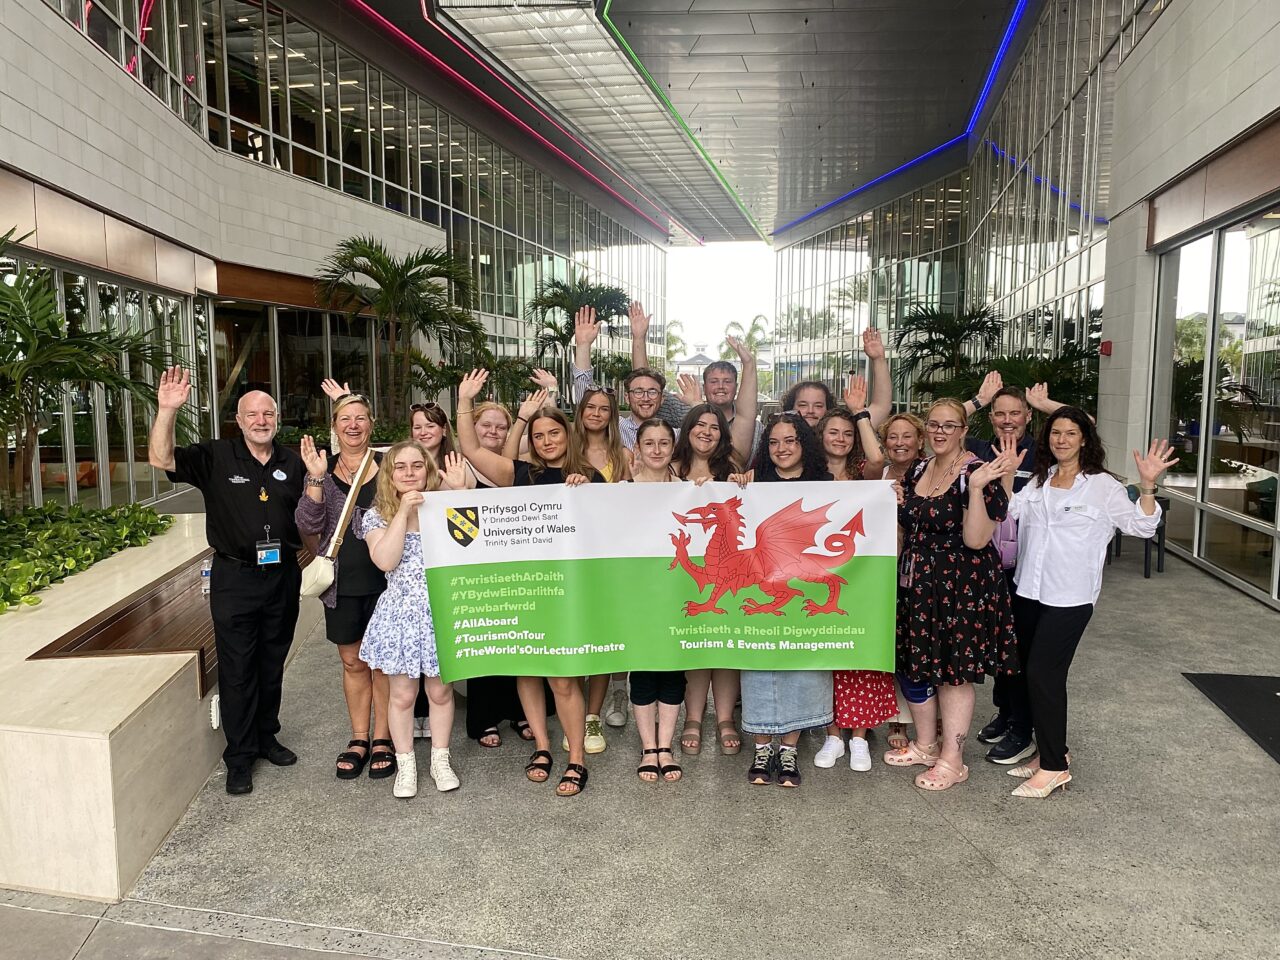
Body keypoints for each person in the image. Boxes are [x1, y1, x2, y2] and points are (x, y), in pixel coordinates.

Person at [1001, 411, 1176, 798]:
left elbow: (1142, 527)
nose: (1062, 440)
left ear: (1085, 439)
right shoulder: (1039, 481)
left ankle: (1053, 767)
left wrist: (1147, 487)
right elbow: (1010, 513)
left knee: (1043, 674)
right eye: (1056, 433)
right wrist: (1006, 475)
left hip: (1070, 597)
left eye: (1071, 433)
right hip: (1029, 590)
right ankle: (1052, 749)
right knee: (1027, 673)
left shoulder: (1102, 487)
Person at [148, 368, 302, 796]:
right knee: (237, 668)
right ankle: (239, 755)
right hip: (235, 576)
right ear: (238, 419)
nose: (261, 420)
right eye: (252, 414)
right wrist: (167, 411)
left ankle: (266, 736)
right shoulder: (215, 456)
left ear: (277, 418)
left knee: (272, 663)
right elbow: (161, 459)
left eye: (268, 413)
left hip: (282, 575)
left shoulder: (292, 461)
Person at [456, 369, 598, 797]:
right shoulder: (518, 474)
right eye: (538, 436)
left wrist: (586, 488)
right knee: (528, 671)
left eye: (554, 433)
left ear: (567, 436)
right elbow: (469, 447)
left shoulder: (592, 476)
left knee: (563, 680)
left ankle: (576, 756)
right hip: (524, 586)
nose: (546, 441)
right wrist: (465, 400)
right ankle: (541, 745)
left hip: (569, 593)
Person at [888, 399, 1021, 791]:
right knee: (918, 663)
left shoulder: (976, 472)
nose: (940, 431)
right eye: (934, 424)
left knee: (953, 673)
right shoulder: (917, 468)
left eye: (950, 425)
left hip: (961, 587)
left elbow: (977, 539)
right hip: (917, 583)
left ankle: (953, 758)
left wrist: (978, 489)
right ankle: (927, 745)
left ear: (964, 430)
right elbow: (906, 529)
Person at [962, 373, 1072, 765]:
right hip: (984, 566)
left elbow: (1081, 427)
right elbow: (938, 423)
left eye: (1016, 413)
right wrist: (977, 399)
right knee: (998, 648)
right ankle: (1007, 713)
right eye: (999, 413)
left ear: (1027, 416)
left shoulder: (1044, 452)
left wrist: (1046, 405)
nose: (1008, 420)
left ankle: (1023, 728)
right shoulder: (976, 448)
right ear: (990, 418)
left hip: (1029, 570)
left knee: (1022, 652)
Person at [357, 441, 466, 798]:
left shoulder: (446, 506)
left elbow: (469, 551)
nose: (408, 473)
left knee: (440, 690)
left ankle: (440, 759)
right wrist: (403, 513)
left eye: (416, 466)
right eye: (400, 467)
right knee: (402, 695)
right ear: (390, 475)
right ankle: (406, 765)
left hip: (442, 611)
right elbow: (386, 561)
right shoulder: (376, 515)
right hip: (402, 613)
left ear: (428, 469)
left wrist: (462, 493)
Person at [296, 395, 396, 781]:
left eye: (360, 418)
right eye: (344, 419)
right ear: (334, 427)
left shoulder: (388, 466)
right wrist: (317, 479)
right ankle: (360, 737)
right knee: (353, 662)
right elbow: (307, 522)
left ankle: (384, 737)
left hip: (388, 582)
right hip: (343, 583)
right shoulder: (322, 468)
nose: (353, 425)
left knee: (383, 664)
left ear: (372, 424)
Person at [734, 413, 835, 788]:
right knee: (759, 665)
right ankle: (762, 747)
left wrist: (885, 496)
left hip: (803, 583)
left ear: (803, 443)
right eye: (774, 442)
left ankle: (789, 747)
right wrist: (737, 486)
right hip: (762, 587)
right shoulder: (753, 482)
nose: (782, 449)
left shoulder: (825, 484)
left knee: (803, 666)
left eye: (790, 440)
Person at [812, 376, 893, 772]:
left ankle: (859, 737)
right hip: (817, 573)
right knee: (824, 655)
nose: (840, 438)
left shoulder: (864, 473)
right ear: (819, 435)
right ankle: (831, 735)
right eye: (833, 431)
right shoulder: (807, 472)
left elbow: (879, 461)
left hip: (860, 576)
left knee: (857, 653)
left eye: (847, 433)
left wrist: (860, 414)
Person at [671, 403, 744, 757]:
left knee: (724, 642)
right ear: (687, 430)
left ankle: (725, 718)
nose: (706, 432)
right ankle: (694, 719)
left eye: (714, 427)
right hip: (678, 572)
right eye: (699, 425)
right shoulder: (670, 469)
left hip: (727, 572)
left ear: (722, 435)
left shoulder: (732, 472)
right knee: (695, 644)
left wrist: (743, 484)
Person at [572, 384, 633, 742]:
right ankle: (573, 708)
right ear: (580, 411)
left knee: (604, 635)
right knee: (576, 631)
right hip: (572, 555)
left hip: (609, 556)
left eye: (604, 409)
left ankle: (593, 713)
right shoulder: (566, 449)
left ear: (613, 416)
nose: (596, 413)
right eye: (590, 407)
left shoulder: (622, 454)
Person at [627, 419, 687, 783]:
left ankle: (666, 745)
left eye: (664, 443)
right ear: (638, 447)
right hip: (638, 595)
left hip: (677, 592)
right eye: (649, 443)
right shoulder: (621, 491)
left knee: (673, 670)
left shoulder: (690, 491)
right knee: (645, 670)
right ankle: (648, 747)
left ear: (672, 448)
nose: (656, 450)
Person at [877, 412, 935, 753]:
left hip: (922, 572)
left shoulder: (933, 472)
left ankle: (932, 719)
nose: (900, 442)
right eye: (893, 437)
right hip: (885, 571)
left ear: (920, 440)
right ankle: (899, 716)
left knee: (923, 647)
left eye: (907, 436)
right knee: (895, 647)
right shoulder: (877, 474)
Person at [569, 304, 674, 448]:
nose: (645, 397)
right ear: (627, 397)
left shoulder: (674, 435)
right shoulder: (615, 427)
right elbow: (585, 396)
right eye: (638, 392)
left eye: (652, 392)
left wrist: (639, 338)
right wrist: (583, 345)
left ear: (662, 398)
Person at [780, 328, 893, 429]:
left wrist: (879, 360)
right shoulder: (778, 436)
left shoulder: (841, 433)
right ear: (791, 407)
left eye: (818, 406)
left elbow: (881, 407)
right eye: (803, 405)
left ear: (828, 409)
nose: (810, 411)